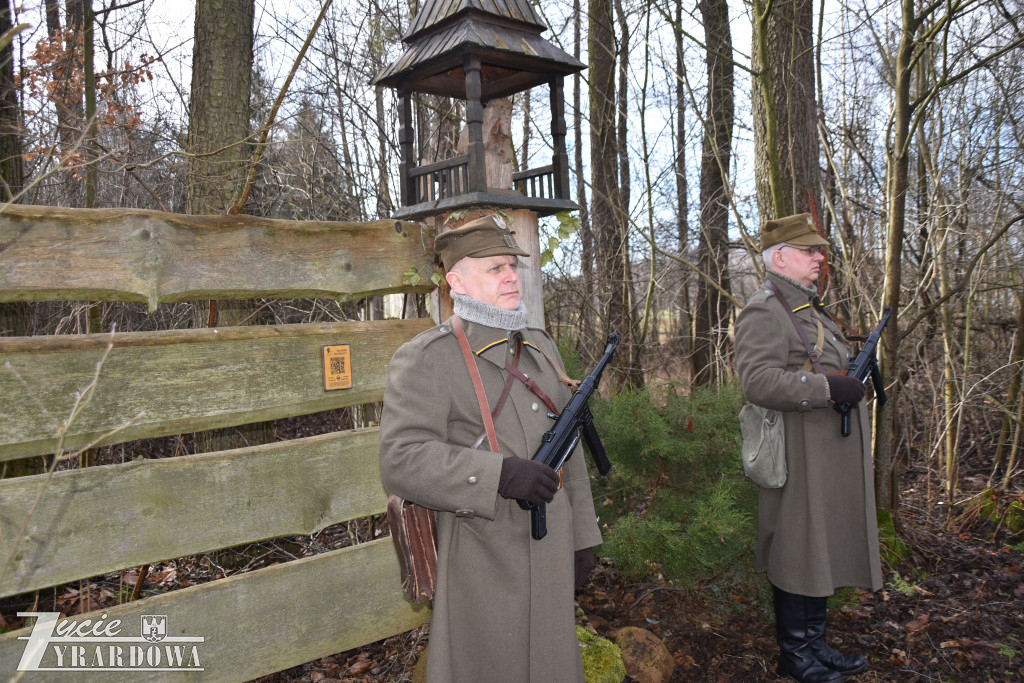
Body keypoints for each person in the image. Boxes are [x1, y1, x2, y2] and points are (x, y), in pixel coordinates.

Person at [378, 213, 603, 683]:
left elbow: (570, 450)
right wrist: (497, 474)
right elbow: (400, 459)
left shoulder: (540, 347)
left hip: (550, 548)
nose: (510, 277)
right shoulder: (426, 359)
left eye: (512, 267)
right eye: (495, 268)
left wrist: (583, 537)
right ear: (456, 281)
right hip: (482, 556)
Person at [734, 213, 883, 683]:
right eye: (809, 251)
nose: (820, 257)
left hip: (826, 455)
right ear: (780, 257)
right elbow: (756, 381)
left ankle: (815, 642)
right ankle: (795, 653)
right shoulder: (766, 309)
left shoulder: (808, 308)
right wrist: (827, 389)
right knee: (798, 549)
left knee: (818, 547)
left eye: (819, 250)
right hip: (798, 454)